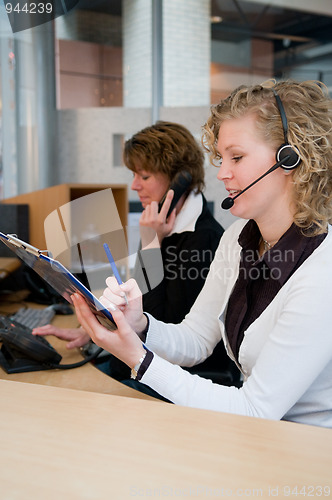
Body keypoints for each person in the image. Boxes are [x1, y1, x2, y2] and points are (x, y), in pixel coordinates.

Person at [69, 80, 332, 427]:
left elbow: (255, 410)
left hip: (306, 450)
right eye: (221, 158)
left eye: (236, 157)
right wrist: (140, 325)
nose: (222, 173)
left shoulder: (321, 273)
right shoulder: (239, 239)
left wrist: (139, 360)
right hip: (258, 437)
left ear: (290, 157)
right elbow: (195, 339)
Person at [34, 121, 239, 386]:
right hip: (134, 366)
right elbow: (136, 306)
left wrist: (150, 242)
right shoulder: (165, 228)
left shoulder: (203, 239)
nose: (134, 186)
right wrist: (94, 331)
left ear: (180, 179)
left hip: (172, 380)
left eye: (144, 176)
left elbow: (158, 327)